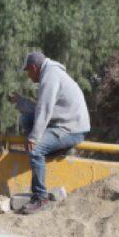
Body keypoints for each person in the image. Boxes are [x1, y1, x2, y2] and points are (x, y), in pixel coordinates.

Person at [14, 52, 90, 214]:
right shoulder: (52, 73)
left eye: (28, 71)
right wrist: (21, 102)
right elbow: (40, 109)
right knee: (26, 119)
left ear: (34, 68)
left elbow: (44, 109)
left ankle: (41, 197)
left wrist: (34, 138)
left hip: (71, 129)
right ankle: (57, 149)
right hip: (64, 124)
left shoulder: (50, 76)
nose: (28, 75)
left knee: (35, 150)